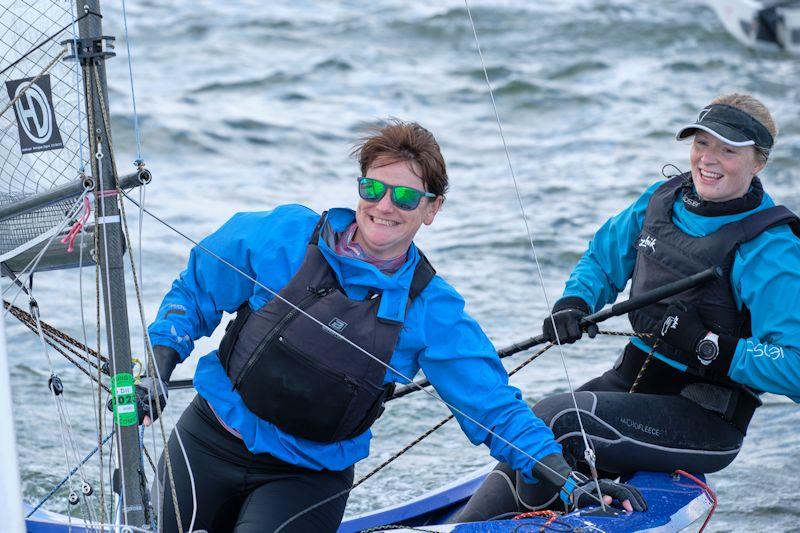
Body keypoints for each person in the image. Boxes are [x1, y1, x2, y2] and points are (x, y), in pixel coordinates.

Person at [139, 119, 644, 533]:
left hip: (306, 477)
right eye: (374, 188)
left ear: (432, 209)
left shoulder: (431, 309)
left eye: (405, 197)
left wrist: (572, 481)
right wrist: (160, 362)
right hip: (207, 441)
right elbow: (196, 291)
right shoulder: (285, 235)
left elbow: (492, 407)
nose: (384, 206)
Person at [454, 93, 800, 521]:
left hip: (705, 417)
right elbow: (602, 258)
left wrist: (707, 344)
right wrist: (575, 301)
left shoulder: (771, 249)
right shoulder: (662, 200)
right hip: (631, 380)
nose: (708, 160)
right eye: (701, 144)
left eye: (728, 150)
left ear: (759, 162)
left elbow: (795, 367)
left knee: (561, 418)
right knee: (529, 431)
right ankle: (466, 527)